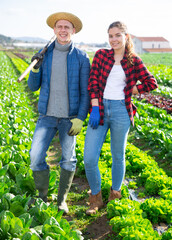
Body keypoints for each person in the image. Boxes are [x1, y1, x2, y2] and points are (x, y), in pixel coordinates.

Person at [84, 21, 158, 215]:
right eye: (110, 35)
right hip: (99, 109)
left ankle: (115, 196)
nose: (113, 39)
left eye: (117, 35)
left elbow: (151, 82)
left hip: (121, 111)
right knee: (89, 158)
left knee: (118, 156)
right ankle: (96, 198)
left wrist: (133, 89)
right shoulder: (101, 55)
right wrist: (94, 107)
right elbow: (92, 81)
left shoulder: (134, 60)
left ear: (126, 36)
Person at [28, 12, 90, 214]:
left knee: (69, 159)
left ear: (73, 31)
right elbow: (32, 86)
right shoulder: (44, 54)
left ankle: (62, 200)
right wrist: (35, 69)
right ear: (54, 30)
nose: (63, 30)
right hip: (47, 115)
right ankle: (42, 196)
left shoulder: (81, 57)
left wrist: (80, 117)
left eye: (67, 27)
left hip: (69, 118)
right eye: (59, 27)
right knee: (36, 156)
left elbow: (85, 91)